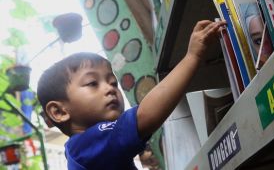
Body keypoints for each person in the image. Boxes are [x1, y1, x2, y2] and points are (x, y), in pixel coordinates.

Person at [36, 19, 224, 170]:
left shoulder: (91, 149)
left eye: (113, 82)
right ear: (59, 112)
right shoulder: (85, 146)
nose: (110, 89)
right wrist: (192, 57)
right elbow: (145, 116)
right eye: (92, 83)